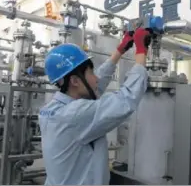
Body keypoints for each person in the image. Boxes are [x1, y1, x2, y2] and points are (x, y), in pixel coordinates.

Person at [39, 28, 152, 185]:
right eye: (91, 72)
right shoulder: (74, 115)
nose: (96, 78)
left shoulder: (52, 108)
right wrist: (141, 51)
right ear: (75, 81)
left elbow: (94, 87)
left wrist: (120, 50)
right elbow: (125, 100)